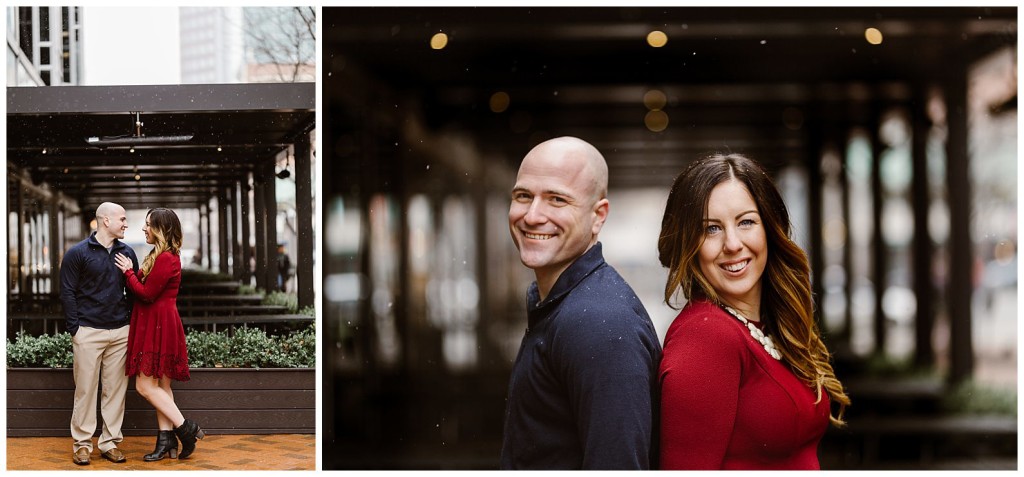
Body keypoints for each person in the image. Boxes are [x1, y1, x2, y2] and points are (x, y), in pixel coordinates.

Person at [656, 153, 850, 469]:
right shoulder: (706, 336)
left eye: (746, 221)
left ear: (770, 229)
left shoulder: (764, 325)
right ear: (688, 242)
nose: (733, 243)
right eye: (711, 229)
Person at [500, 136, 662, 469]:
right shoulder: (565, 304)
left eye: (557, 200)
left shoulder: (600, 324)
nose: (532, 216)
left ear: (598, 215)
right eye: (523, 196)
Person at [113, 208, 205, 461]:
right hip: (159, 323)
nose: (143, 229)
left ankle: (186, 429)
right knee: (162, 387)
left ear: (160, 229)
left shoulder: (165, 258)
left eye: (148, 225)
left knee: (144, 386)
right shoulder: (160, 255)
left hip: (157, 324)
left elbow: (146, 294)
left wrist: (128, 272)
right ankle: (166, 442)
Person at [60, 202, 139, 465]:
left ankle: (109, 442)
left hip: (120, 332)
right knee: (85, 390)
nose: (126, 223)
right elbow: (67, 291)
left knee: (115, 391)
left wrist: (128, 322)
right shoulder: (78, 253)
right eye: (123, 219)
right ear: (106, 220)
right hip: (88, 332)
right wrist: (76, 328)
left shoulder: (126, 252)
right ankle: (82, 445)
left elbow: (134, 288)